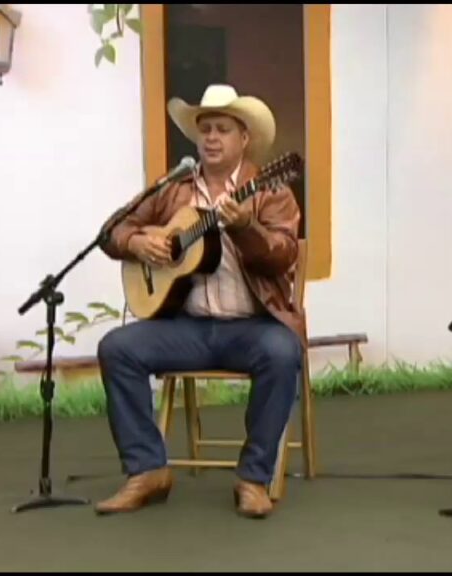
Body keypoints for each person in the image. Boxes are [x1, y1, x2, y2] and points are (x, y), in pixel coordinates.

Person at [94, 84, 304, 519]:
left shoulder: (269, 190)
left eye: (222, 129)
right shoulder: (174, 188)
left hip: (253, 325)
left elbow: (284, 254)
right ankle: (148, 470)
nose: (210, 137)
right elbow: (110, 230)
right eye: (204, 128)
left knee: (283, 353)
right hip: (187, 327)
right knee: (118, 348)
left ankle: (253, 479)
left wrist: (245, 227)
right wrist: (136, 242)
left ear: (243, 139)